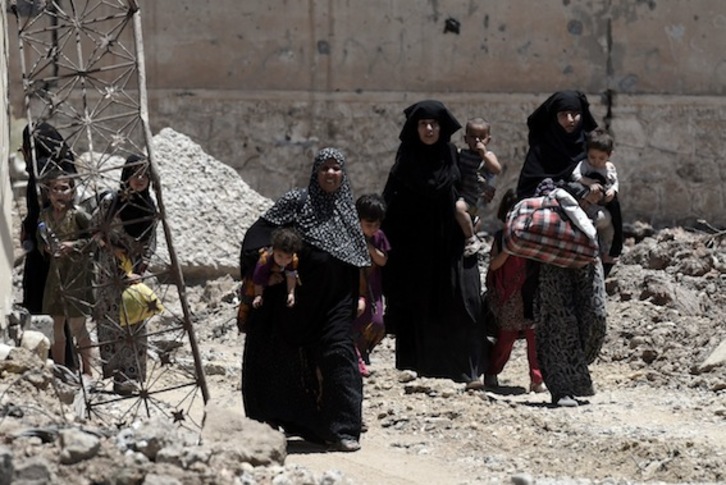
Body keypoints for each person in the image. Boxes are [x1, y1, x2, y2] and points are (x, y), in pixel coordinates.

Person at [241, 147, 370, 452]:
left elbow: (357, 261)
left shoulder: (348, 211)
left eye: (336, 168)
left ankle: (344, 429)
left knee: (339, 355)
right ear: (315, 172)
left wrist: (361, 296)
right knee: (280, 357)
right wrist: (264, 271)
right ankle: (282, 422)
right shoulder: (296, 203)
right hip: (293, 301)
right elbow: (256, 235)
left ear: (343, 173)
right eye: (324, 168)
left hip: (335, 302)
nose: (330, 173)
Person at [381, 99, 487, 387]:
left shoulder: (451, 154)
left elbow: (470, 185)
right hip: (414, 248)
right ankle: (415, 366)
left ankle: (466, 369)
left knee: (463, 301)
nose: (429, 129)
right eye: (423, 124)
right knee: (416, 304)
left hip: (449, 243)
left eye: (434, 124)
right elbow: (391, 198)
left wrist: (472, 213)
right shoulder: (406, 158)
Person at [515, 91, 607, 407]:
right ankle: (560, 386)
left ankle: (576, 379)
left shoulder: (591, 153)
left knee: (593, 315)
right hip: (552, 251)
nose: (570, 120)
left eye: (575, 113)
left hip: (585, 246)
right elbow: (526, 191)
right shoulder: (541, 151)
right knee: (556, 316)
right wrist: (567, 190)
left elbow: (611, 195)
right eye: (563, 115)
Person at [93, 154, 158, 395]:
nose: (140, 180)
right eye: (135, 174)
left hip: (136, 273)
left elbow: (152, 242)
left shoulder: (150, 207)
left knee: (135, 323)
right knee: (110, 322)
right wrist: (112, 248)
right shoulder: (111, 202)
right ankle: (115, 374)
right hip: (110, 271)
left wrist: (141, 270)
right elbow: (95, 231)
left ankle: (130, 376)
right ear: (126, 176)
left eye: (145, 175)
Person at [483, 189, 545, 394]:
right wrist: (509, 250)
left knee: (534, 338)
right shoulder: (501, 238)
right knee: (505, 339)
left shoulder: (533, 238)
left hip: (528, 294)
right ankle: (492, 371)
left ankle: (537, 379)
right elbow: (494, 265)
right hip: (508, 297)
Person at [37, 172, 93, 377]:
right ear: (49, 193)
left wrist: (74, 245)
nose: (59, 193)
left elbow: (95, 238)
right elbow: (40, 241)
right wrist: (47, 248)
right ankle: (60, 369)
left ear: (72, 192)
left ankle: (87, 372)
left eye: (64, 188)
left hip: (76, 275)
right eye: (55, 189)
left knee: (78, 325)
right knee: (56, 323)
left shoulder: (78, 215)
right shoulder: (44, 216)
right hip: (56, 275)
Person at [20, 122, 77, 315]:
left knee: (42, 296)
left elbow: (37, 210)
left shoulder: (41, 173)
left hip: (45, 242)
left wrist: (28, 228)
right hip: (65, 239)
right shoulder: (65, 169)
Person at [352, 193, 391, 377]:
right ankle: (357, 357)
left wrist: (369, 247)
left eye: (377, 225)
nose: (373, 229)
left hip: (372, 288)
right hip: (354, 286)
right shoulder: (349, 237)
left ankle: (364, 350)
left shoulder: (379, 237)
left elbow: (383, 260)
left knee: (376, 323)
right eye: (368, 225)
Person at [571, 129, 621, 265]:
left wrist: (613, 191)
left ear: (609, 155)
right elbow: (575, 176)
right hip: (587, 205)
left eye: (601, 158)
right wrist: (588, 182)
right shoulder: (585, 165)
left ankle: (605, 254)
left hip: (603, 205)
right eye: (592, 157)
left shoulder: (609, 168)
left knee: (609, 229)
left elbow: (614, 182)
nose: (596, 162)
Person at [454, 117, 502, 257]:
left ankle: (471, 238)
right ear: (466, 139)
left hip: (476, 196)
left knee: (459, 209)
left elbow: (496, 169)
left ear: (488, 139)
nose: (477, 141)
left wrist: (484, 154)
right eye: (473, 137)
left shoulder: (488, 156)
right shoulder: (462, 154)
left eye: (481, 137)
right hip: (464, 192)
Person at [252, 227, 302, 310]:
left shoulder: (292, 260)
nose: (283, 260)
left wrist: (291, 293)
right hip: (259, 280)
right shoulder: (265, 260)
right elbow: (258, 279)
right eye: (280, 256)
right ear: (274, 250)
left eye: (288, 257)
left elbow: (291, 275)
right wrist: (258, 295)